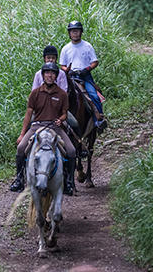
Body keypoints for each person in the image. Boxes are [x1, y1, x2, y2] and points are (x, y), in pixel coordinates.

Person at [9, 62, 77, 195]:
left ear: (56, 76)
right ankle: (19, 179)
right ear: (43, 75)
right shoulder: (35, 93)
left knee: (71, 150)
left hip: (54, 127)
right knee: (21, 148)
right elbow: (29, 114)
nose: (49, 76)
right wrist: (22, 134)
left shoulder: (62, 94)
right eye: (47, 73)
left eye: (52, 73)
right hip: (37, 126)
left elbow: (64, 113)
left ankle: (69, 181)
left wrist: (61, 119)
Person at [59, 21, 106, 130]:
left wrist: (87, 69)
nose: (75, 34)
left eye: (77, 31)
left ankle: (99, 120)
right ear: (69, 33)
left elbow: (95, 62)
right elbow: (62, 65)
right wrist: (67, 70)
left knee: (93, 96)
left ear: (81, 32)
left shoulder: (87, 46)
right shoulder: (66, 49)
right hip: (71, 76)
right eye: (72, 31)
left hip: (85, 76)